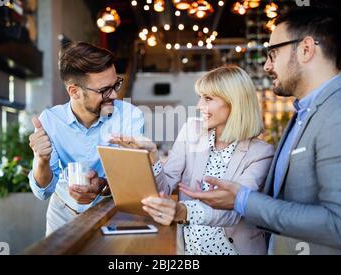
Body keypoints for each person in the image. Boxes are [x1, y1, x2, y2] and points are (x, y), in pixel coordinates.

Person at [181, 7, 341, 255]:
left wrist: (243, 200)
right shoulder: (304, 113)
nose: (266, 66)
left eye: (273, 53)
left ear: (306, 49)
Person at [111, 65, 274, 255]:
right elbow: (164, 189)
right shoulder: (191, 131)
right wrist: (153, 156)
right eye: (200, 97)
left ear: (234, 102)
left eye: (208, 99)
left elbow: (234, 209)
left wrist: (182, 211)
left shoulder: (261, 153)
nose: (199, 106)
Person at [28, 42, 144, 235]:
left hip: (112, 210)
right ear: (74, 91)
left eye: (116, 84)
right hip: (62, 214)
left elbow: (131, 180)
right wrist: (42, 161)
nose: (114, 95)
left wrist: (102, 185)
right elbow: (44, 191)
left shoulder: (130, 117)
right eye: (104, 90)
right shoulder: (50, 120)